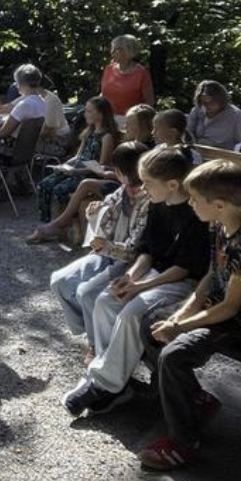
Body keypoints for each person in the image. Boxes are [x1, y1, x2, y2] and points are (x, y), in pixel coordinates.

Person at [136, 160, 241, 470]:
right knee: (150, 322)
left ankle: (183, 442)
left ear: (219, 204)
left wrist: (180, 326)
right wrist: (179, 316)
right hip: (220, 306)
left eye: (194, 199)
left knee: (173, 356)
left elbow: (230, 308)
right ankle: (194, 399)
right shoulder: (219, 223)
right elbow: (212, 275)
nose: (190, 204)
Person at [61, 147, 210, 416]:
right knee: (106, 300)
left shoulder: (195, 214)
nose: (143, 188)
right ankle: (113, 378)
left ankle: (104, 385)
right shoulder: (157, 204)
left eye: (148, 182)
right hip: (155, 275)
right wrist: (130, 278)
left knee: (131, 314)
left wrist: (139, 287)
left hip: (182, 282)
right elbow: (147, 251)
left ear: (172, 185)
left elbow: (183, 269)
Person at [52, 141, 151, 348]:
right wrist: (97, 209)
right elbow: (108, 205)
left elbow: (135, 249)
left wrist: (106, 245)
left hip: (128, 260)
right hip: (107, 252)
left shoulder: (148, 200)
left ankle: (96, 344)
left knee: (87, 293)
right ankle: (91, 329)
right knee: (59, 281)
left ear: (120, 172)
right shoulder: (123, 190)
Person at [28, 96, 118, 241]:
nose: (85, 114)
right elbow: (78, 156)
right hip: (76, 170)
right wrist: (64, 165)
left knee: (60, 189)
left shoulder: (106, 137)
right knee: (45, 185)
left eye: (89, 111)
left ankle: (61, 225)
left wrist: (75, 171)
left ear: (100, 114)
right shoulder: (89, 132)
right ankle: (47, 224)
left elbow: (101, 167)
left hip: (89, 174)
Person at [100, 35, 156, 120]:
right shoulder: (109, 69)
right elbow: (103, 94)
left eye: (117, 49)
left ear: (129, 51)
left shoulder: (141, 73)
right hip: (106, 118)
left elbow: (150, 102)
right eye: (112, 49)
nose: (112, 52)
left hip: (131, 120)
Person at [187, 80, 241, 149]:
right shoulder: (197, 110)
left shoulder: (236, 115)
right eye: (203, 102)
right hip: (197, 151)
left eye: (211, 102)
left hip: (222, 153)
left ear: (220, 100)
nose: (207, 106)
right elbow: (189, 132)